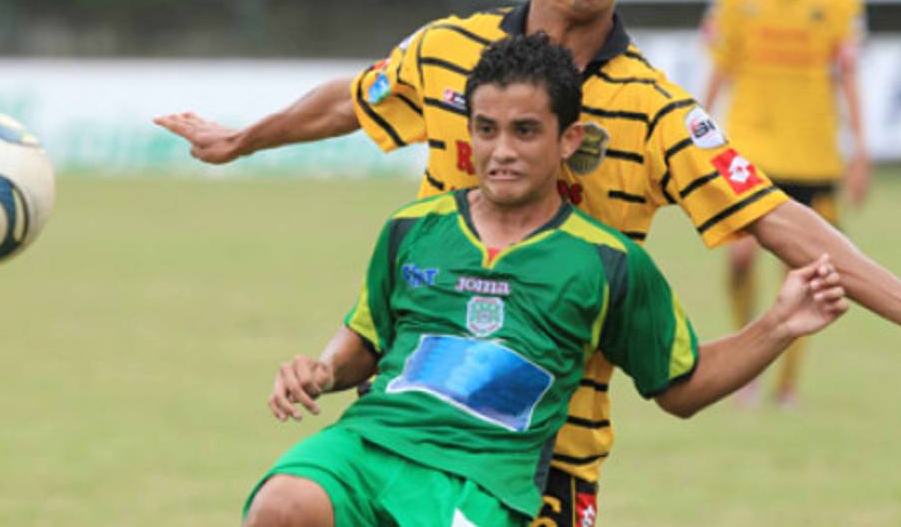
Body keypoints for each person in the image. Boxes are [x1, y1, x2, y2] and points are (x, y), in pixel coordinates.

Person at [155, 0, 901, 524]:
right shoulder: (447, 51)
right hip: (410, 411)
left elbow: (771, 214)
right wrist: (246, 140)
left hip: (545, 451)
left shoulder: (655, 111)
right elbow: (354, 99)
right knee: (287, 506)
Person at [243, 33, 849, 527]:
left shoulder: (606, 261)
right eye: (486, 129)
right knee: (282, 506)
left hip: (483, 477)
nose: (502, 150)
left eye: (525, 131)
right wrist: (322, 369)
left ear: (569, 140)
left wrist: (778, 325)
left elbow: (680, 387)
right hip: (371, 442)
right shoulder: (413, 227)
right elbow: (368, 340)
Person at [701, 0, 867, 407]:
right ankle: (745, 367)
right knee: (739, 258)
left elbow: (848, 74)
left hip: (813, 153)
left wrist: (860, 151)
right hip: (752, 146)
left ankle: (787, 385)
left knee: (811, 274)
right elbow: (721, 64)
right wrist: (696, 131)